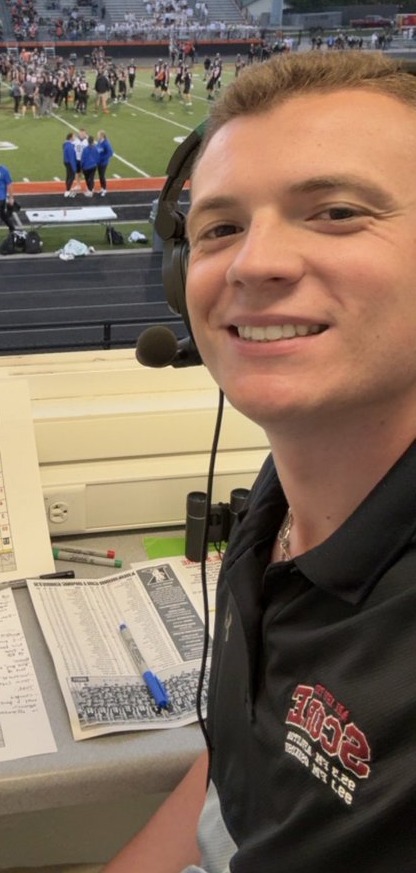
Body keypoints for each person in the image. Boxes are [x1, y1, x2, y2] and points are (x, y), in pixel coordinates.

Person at [103, 50, 416, 872]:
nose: (252, 263)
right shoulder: (286, 496)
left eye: (337, 212)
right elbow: (239, 767)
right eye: (219, 228)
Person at [95, 130, 113, 196]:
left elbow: (110, 153)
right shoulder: (99, 142)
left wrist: (103, 159)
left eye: (98, 135)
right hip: (98, 162)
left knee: (102, 176)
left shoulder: (106, 143)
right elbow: (97, 149)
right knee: (100, 176)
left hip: (103, 163)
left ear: (102, 136)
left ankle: (105, 189)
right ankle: (102, 188)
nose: (97, 136)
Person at [62, 132, 77, 197]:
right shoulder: (70, 146)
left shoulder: (66, 144)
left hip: (66, 162)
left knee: (68, 176)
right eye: (74, 136)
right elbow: (71, 158)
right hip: (70, 162)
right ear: (71, 138)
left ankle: (67, 189)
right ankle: (68, 191)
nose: (75, 137)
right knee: (71, 177)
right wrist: (74, 168)